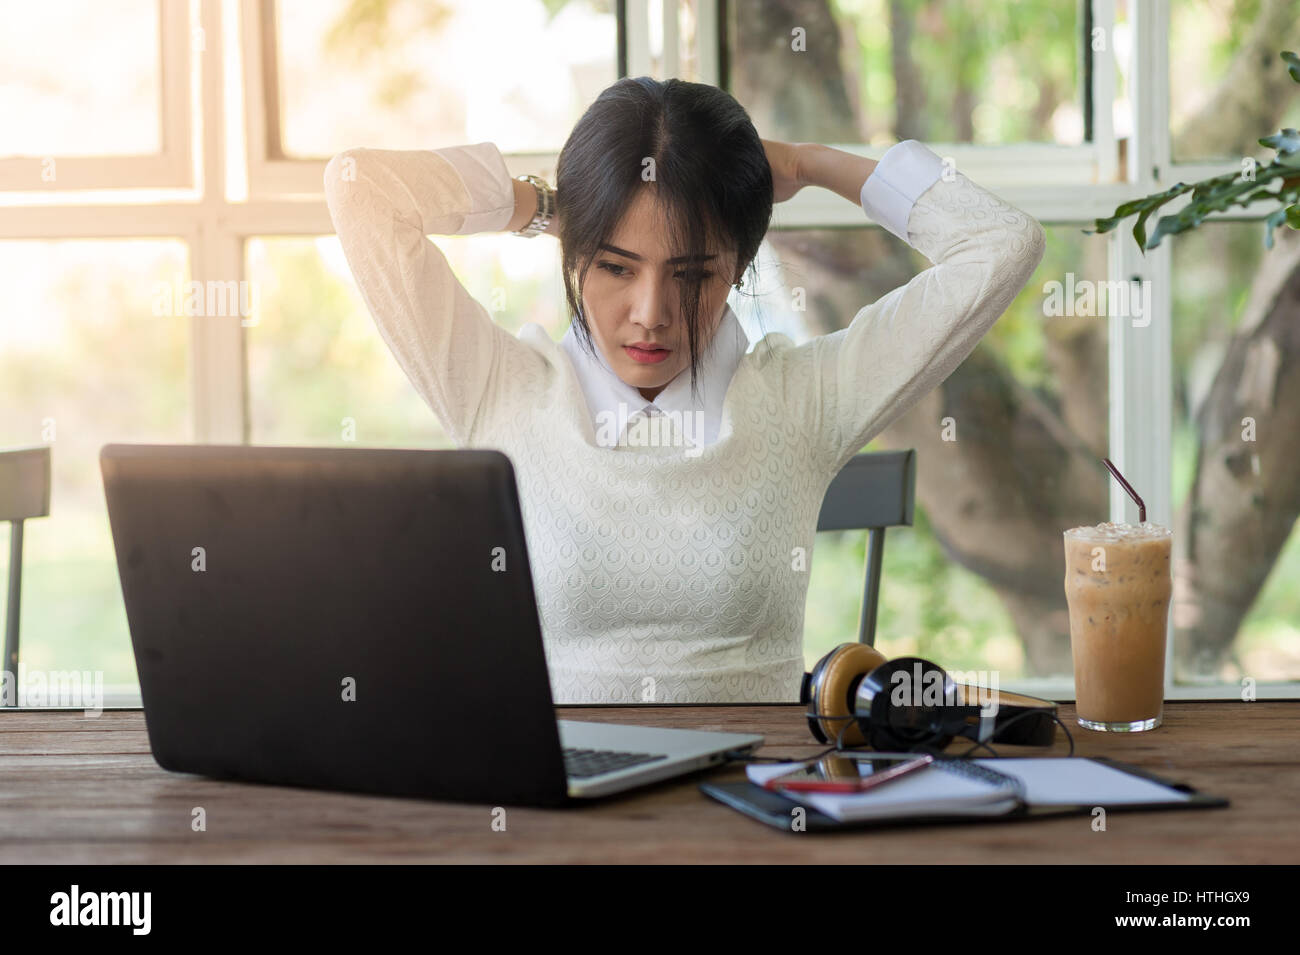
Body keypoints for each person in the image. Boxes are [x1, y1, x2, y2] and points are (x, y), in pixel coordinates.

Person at [323, 76, 1045, 704]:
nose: (651, 313)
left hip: (751, 810)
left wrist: (811, 163)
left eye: (694, 274)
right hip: (563, 814)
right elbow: (359, 188)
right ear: (572, 254)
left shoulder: (805, 402)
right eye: (614, 265)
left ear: (738, 266)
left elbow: (1000, 243)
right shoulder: (495, 389)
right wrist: (539, 203)